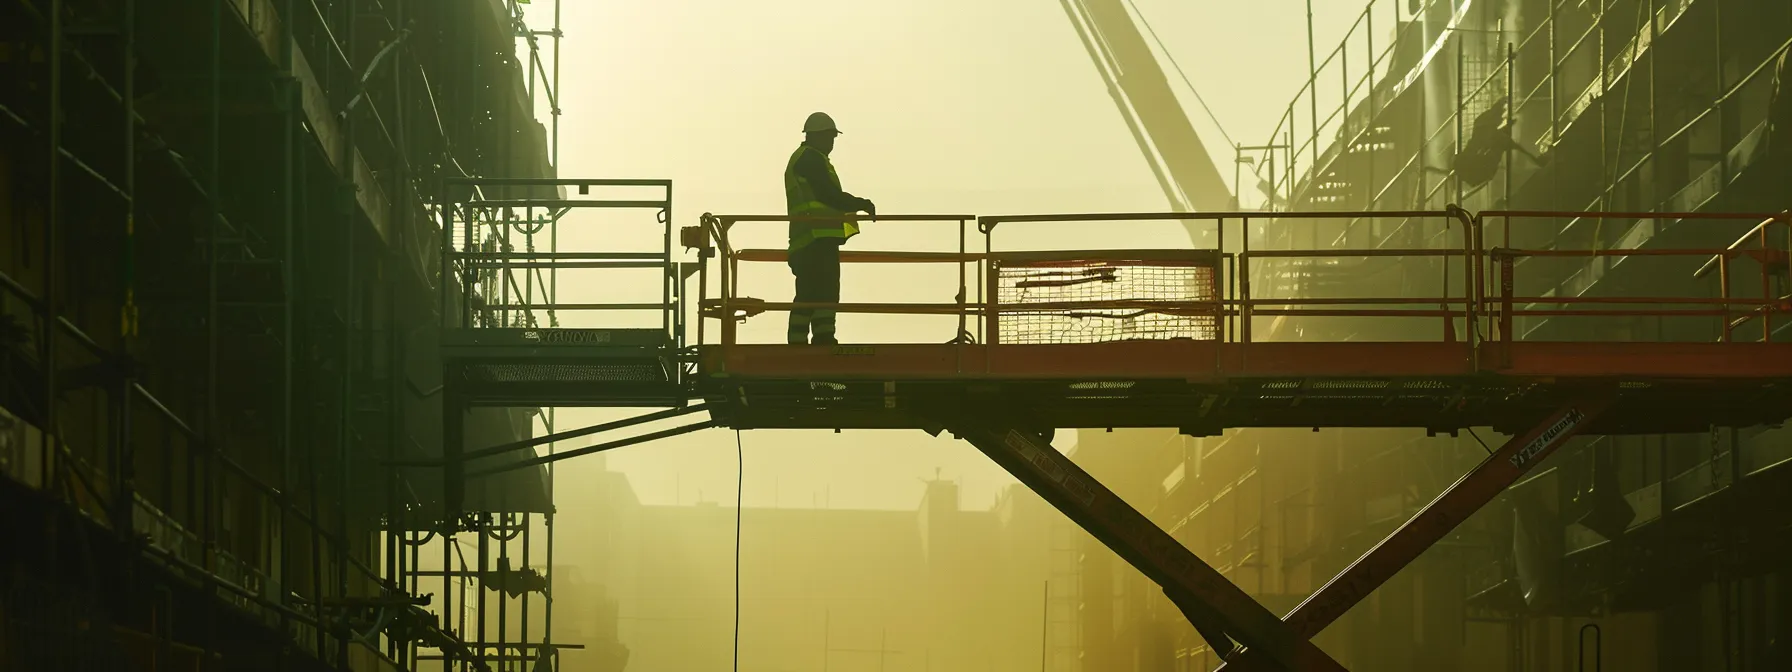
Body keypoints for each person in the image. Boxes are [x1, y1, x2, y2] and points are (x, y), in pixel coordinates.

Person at [784, 111, 876, 345]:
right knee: (814, 293)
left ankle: (815, 339)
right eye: (830, 137)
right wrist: (859, 204)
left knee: (819, 293)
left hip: (814, 240)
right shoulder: (810, 159)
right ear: (818, 136)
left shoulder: (808, 158)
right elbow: (828, 195)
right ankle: (809, 341)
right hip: (814, 239)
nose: (832, 142)